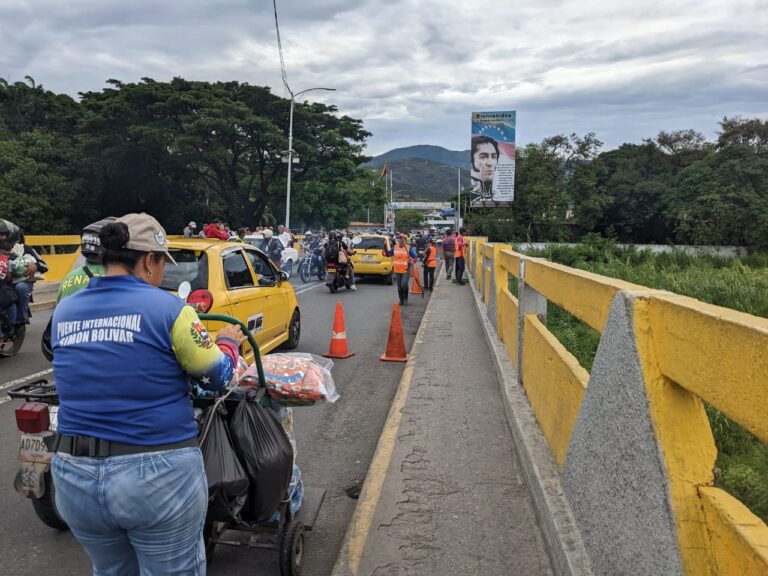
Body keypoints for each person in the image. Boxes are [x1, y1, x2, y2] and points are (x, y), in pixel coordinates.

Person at [50, 213, 245, 575]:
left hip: (74, 475)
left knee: (110, 570)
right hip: (155, 475)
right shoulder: (171, 310)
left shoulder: (65, 310)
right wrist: (228, 344)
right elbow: (218, 377)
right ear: (149, 260)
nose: (163, 272)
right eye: (163, 263)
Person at [385, 233, 417, 306]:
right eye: (399, 238)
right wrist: (385, 248)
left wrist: (413, 261)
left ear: (405, 240)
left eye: (402, 238)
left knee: (404, 284)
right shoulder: (395, 247)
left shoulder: (408, 248)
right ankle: (401, 300)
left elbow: (415, 257)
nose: (401, 240)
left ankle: (405, 299)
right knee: (399, 286)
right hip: (397, 269)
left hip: (405, 269)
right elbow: (388, 254)